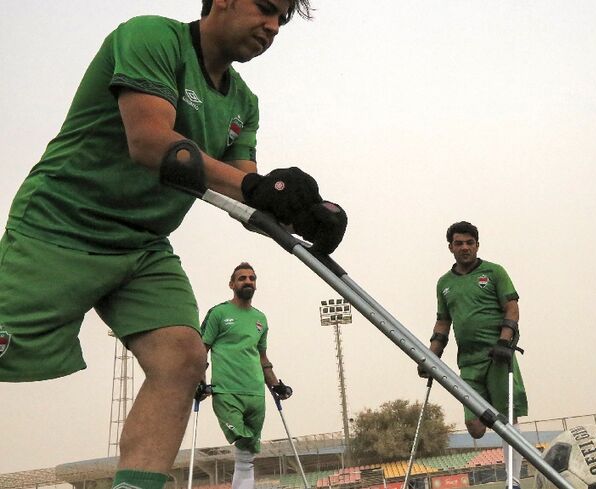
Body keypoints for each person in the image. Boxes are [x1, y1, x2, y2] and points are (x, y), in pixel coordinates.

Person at [0, 2, 345, 489]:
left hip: (143, 245)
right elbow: (151, 143)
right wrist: (253, 190)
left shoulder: (243, 102)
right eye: (266, 8)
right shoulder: (151, 38)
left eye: (282, 20)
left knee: (183, 356)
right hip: (60, 226)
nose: (273, 26)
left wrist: (298, 210)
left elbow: (240, 186)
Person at [421, 221, 528, 489]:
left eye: (470, 242)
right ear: (450, 247)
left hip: (498, 356)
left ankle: (512, 481)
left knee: (507, 418)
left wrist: (505, 341)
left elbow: (511, 307)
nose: (465, 247)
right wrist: (430, 356)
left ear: (477, 245)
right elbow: (443, 322)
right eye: (459, 243)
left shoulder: (494, 272)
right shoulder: (444, 284)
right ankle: (501, 423)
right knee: (476, 428)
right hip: (468, 362)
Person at [199, 262, 292, 489]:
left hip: (255, 393)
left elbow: (262, 357)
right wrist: (200, 383)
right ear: (232, 284)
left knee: (247, 456)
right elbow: (201, 350)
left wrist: (276, 385)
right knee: (242, 445)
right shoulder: (219, 313)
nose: (248, 281)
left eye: (252, 278)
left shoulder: (261, 319)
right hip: (226, 391)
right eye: (242, 278)